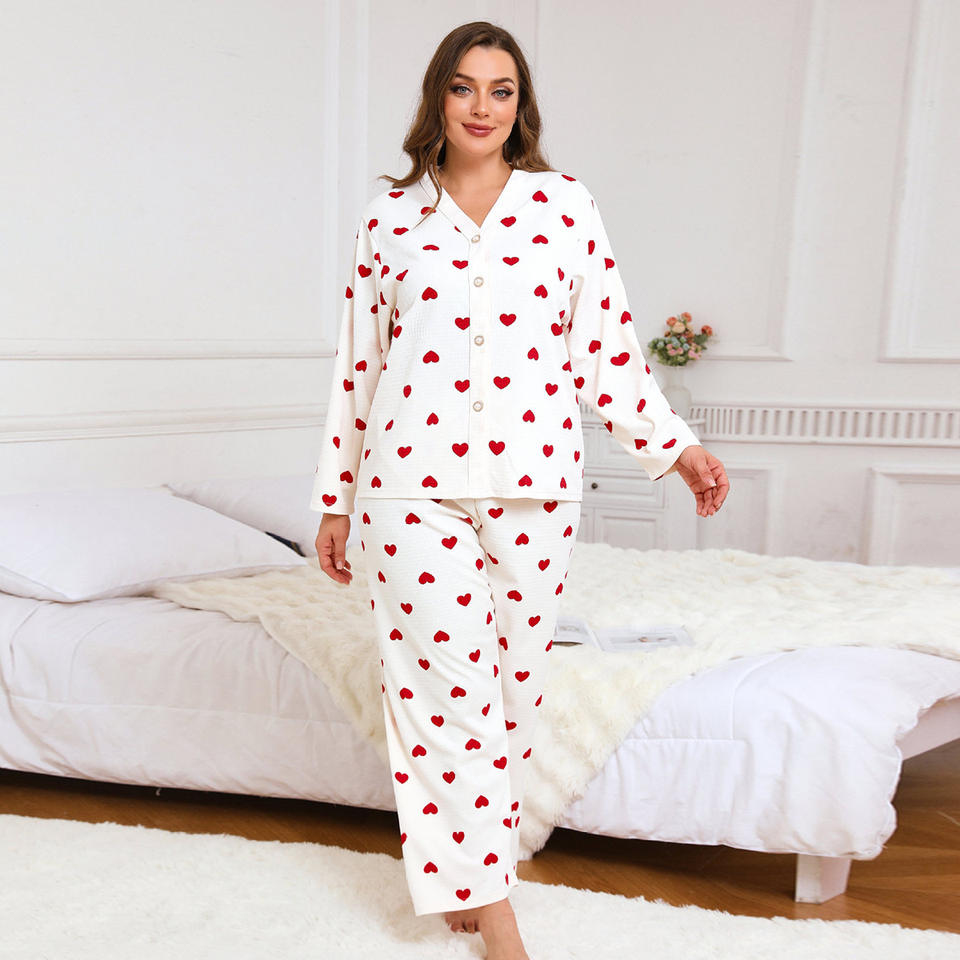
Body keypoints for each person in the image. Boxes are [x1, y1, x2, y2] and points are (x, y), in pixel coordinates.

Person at [311, 20, 729, 960]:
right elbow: (357, 367)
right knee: (443, 689)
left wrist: (676, 448)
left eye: (500, 90)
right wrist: (336, 500)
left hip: (535, 485)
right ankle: (495, 912)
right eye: (464, 87)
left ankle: (469, 869)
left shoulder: (563, 207)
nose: (482, 107)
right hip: (408, 487)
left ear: (520, 105)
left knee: (508, 692)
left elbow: (606, 348)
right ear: (439, 97)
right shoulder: (391, 219)